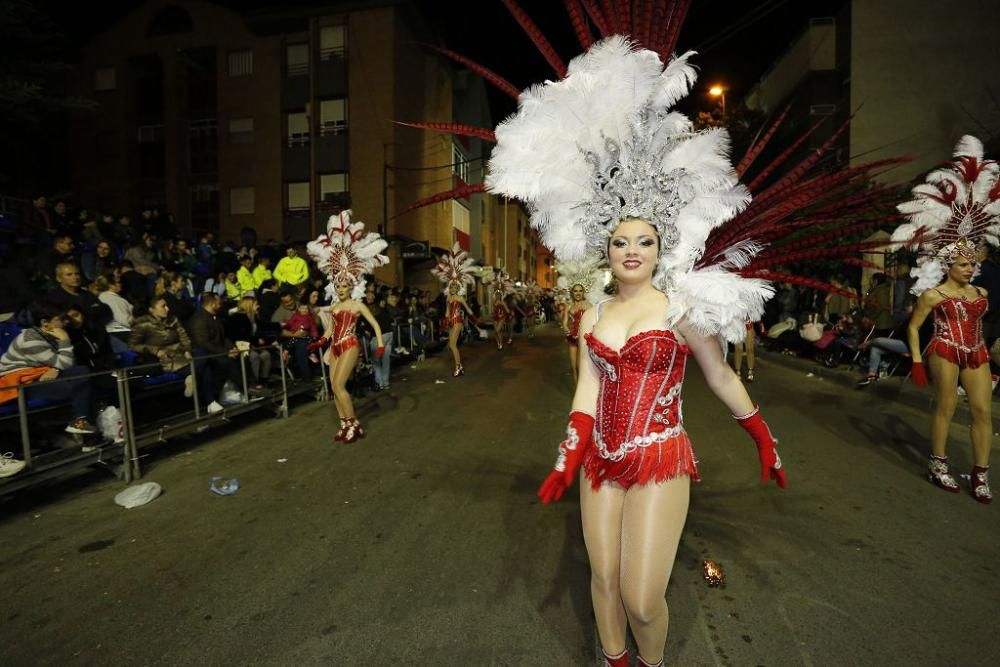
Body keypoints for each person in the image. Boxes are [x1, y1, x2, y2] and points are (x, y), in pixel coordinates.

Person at [488, 41, 786, 666]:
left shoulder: (681, 310)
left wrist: (760, 434)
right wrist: (568, 458)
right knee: (601, 582)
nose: (631, 250)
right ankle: (615, 660)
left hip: (660, 457)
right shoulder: (593, 315)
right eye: (620, 240)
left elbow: (720, 374)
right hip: (601, 458)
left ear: (659, 245)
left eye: (644, 240)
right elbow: (588, 390)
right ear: (606, 246)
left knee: (643, 597)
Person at [891, 135, 998, 504]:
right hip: (945, 348)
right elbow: (913, 326)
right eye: (964, 264)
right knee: (946, 405)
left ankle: (981, 474)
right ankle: (939, 465)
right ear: (949, 264)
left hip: (976, 349)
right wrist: (917, 359)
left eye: (974, 264)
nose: (971, 269)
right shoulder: (933, 295)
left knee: (983, 410)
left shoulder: (981, 295)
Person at [306, 211, 386, 443]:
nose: (341, 289)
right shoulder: (333, 307)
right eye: (338, 286)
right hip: (335, 347)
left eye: (344, 286)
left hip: (350, 345)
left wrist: (379, 344)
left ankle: (354, 423)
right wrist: (320, 341)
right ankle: (345, 425)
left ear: (351, 286)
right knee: (333, 388)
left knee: (340, 385)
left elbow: (374, 324)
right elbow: (330, 330)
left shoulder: (356, 305)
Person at [0, 301, 98, 435]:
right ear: (45, 323)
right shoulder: (30, 339)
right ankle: (83, 427)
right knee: (84, 386)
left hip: (40, 376)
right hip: (22, 384)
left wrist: (56, 368)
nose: (66, 322)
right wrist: (64, 340)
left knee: (83, 373)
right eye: (61, 319)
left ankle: (81, 423)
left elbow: (67, 364)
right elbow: (66, 364)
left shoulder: (48, 334)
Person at [186, 292, 245, 413]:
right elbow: (203, 343)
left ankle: (249, 388)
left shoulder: (215, 317)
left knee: (241, 356)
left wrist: (232, 348)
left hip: (217, 351)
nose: (221, 304)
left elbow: (223, 337)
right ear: (213, 304)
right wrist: (226, 352)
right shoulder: (198, 319)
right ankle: (245, 389)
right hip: (207, 354)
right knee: (227, 362)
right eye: (219, 302)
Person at [430, 243, 479, 376]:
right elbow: (447, 312)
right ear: (449, 287)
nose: (452, 289)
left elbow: (468, 310)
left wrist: (475, 319)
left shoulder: (459, 298)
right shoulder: (449, 299)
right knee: (451, 345)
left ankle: (458, 367)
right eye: (451, 287)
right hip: (451, 321)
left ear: (457, 288)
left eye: (454, 287)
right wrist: (444, 324)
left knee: (452, 345)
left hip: (458, 321)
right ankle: (459, 366)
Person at [557, 258, 602, 383]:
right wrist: (566, 328)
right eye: (575, 291)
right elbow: (565, 322)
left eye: (580, 291)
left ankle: (582, 390)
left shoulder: (589, 306)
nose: (578, 293)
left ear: (584, 292)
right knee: (573, 367)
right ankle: (577, 389)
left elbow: (596, 322)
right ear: (572, 292)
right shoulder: (569, 306)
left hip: (584, 340)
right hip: (572, 339)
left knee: (580, 366)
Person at [129, 296, 193, 377]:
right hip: (165, 360)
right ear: (152, 310)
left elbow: (184, 337)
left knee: (205, 361)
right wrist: (156, 351)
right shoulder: (143, 325)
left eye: (167, 305)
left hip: (182, 355)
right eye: (163, 306)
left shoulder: (173, 319)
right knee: (198, 369)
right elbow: (133, 346)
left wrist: (187, 350)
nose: (167, 309)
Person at [225, 296, 272, 389]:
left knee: (266, 355)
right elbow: (241, 336)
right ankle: (252, 384)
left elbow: (261, 330)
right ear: (249, 306)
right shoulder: (237, 318)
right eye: (256, 304)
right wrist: (255, 340)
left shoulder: (254, 318)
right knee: (254, 356)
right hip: (240, 345)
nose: (258, 306)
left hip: (252, 345)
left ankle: (263, 380)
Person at [491, 271, 515, 350]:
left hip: (502, 317)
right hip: (495, 317)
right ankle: (499, 343)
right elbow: (492, 310)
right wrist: (492, 314)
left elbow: (507, 311)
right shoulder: (493, 302)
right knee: (496, 332)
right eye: (496, 294)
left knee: (498, 330)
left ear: (501, 295)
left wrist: (509, 314)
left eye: (499, 294)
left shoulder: (503, 302)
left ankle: (501, 344)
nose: (497, 295)